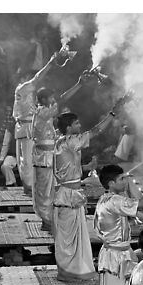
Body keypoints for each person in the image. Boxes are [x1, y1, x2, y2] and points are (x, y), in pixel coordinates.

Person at [52, 108, 119, 282]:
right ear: (68, 127)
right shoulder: (67, 141)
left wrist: (87, 168)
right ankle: (68, 271)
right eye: (76, 123)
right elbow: (96, 131)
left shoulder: (67, 143)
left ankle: (76, 270)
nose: (79, 125)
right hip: (67, 196)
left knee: (76, 237)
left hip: (73, 193)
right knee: (68, 238)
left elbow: (68, 168)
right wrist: (111, 115)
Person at [31, 76, 86, 231]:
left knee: (48, 190)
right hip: (44, 159)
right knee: (44, 191)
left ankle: (49, 220)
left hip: (48, 159)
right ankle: (47, 220)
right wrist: (78, 84)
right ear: (43, 99)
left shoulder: (44, 114)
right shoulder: (42, 112)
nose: (53, 100)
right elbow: (61, 100)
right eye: (51, 98)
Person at [12, 51, 58, 196]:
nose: (32, 81)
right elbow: (37, 78)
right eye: (29, 78)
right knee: (24, 162)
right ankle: (29, 187)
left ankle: (33, 188)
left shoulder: (29, 94)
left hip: (29, 127)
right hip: (23, 127)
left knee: (28, 160)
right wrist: (50, 63)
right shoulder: (22, 88)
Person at [0, 106, 18, 189]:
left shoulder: (30, 125)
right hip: (14, 156)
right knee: (5, 166)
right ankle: (12, 184)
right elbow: (5, 144)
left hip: (28, 156)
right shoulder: (10, 127)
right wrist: (1, 158)